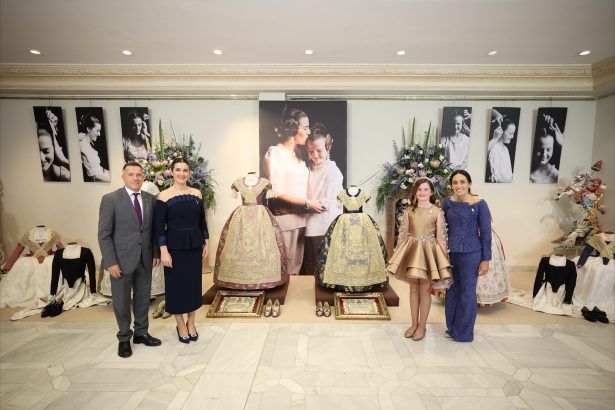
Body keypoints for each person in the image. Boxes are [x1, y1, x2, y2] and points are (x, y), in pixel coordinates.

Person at [98, 162, 161, 358]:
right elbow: (104, 235)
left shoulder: (150, 199)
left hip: (145, 258)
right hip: (120, 261)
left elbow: (153, 230)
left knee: (143, 298)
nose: (135, 178)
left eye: (139, 174)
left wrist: (156, 253)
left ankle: (141, 333)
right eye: (131, 174)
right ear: (123, 177)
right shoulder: (111, 199)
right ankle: (124, 338)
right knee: (122, 301)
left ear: (143, 177)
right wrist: (110, 262)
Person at [387, 178, 452, 341]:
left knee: (425, 289)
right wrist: (398, 255)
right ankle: (414, 323)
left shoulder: (436, 211)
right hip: (413, 251)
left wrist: (444, 260)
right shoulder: (410, 211)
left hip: (429, 253)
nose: (422, 192)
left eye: (425, 189)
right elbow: (403, 234)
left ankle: (422, 326)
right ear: (415, 192)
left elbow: (441, 238)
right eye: (419, 190)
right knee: (413, 288)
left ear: (431, 192)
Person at [263, 108, 325, 275]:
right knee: (285, 271)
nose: (309, 132)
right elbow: (276, 192)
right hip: (285, 222)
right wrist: (307, 203)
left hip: (302, 222)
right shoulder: (276, 153)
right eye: (305, 128)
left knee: (299, 271)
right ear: (292, 129)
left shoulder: (298, 155)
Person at [154, 158, 209, 343]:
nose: (181, 173)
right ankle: (180, 323)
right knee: (176, 287)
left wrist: (206, 242)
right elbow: (159, 228)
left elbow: (202, 221)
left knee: (193, 286)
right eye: (177, 170)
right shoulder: (163, 196)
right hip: (174, 248)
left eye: (185, 170)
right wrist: (163, 251)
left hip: (194, 245)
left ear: (190, 173)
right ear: (171, 172)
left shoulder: (196, 193)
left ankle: (191, 322)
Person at [443, 170, 491, 342]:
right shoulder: (447, 203)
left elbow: (486, 233)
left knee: (468, 293)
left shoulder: (480, 204)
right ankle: (452, 328)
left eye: (462, 182)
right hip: (451, 254)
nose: (459, 186)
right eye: (455, 182)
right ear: (451, 185)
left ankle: (464, 333)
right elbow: (442, 229)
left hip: (472, 254)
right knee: (452, 291)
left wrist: (486, 259)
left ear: (469, 183)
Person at [301, 122, 343, 275]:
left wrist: (306, 204)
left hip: (324, 225)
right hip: (307, 224)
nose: (315, 155)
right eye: (311, 151)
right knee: (309, 266)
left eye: (319, 151)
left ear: (327, 147)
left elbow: (327, 203)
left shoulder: (333, 171)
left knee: (323, 267)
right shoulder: (307, 168)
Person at [78, 114, 110, 182]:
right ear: (88, 129)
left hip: (102, 177)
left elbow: (99, 169)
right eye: (97, 131)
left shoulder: (91, 144)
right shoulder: (82, 146)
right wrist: (112, 179)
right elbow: (93, 176)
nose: (99, 134)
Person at [530, 116, 562, 183]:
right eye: (540, 149)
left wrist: (561, 143)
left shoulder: (557, 175)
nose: (544, 154)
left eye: (548, 150)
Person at [487, 118, 516, 183]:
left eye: (513, 134)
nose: (512, 137)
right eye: (510, 134)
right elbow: (497, 179)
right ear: (501, 131)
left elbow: (508, 175)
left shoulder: (505, 149)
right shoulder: (495, 148)